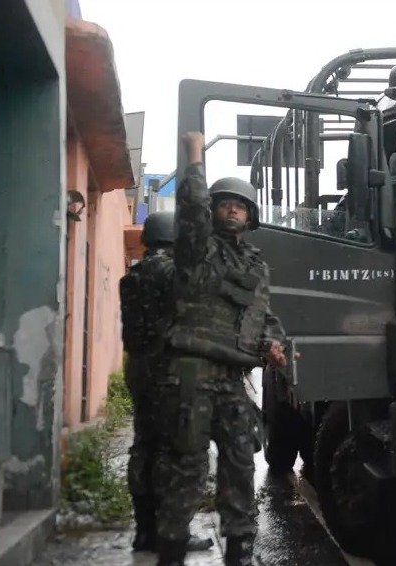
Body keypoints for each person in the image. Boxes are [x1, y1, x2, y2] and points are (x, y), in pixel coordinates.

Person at [152, 131, 293, 566]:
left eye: (240, 204)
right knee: (187, 469)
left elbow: (262, 316)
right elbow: (191, 211)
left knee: (240, 466)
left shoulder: (254, 264)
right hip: (191, 374)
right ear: (212, 211)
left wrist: (275, 343)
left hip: (232, 380)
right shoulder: (197, 250)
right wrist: (194, 157)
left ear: (249, 215)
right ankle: (170, 550)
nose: (232, 208)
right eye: (224, 202)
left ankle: (240, 550)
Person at [119, 211, 214, 554]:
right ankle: (172, 533)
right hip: (166, 371)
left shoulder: (133, 275)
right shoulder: (171, 273)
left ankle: (144, 531)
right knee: (175, 450)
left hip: (138, 368)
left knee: (142, 446)